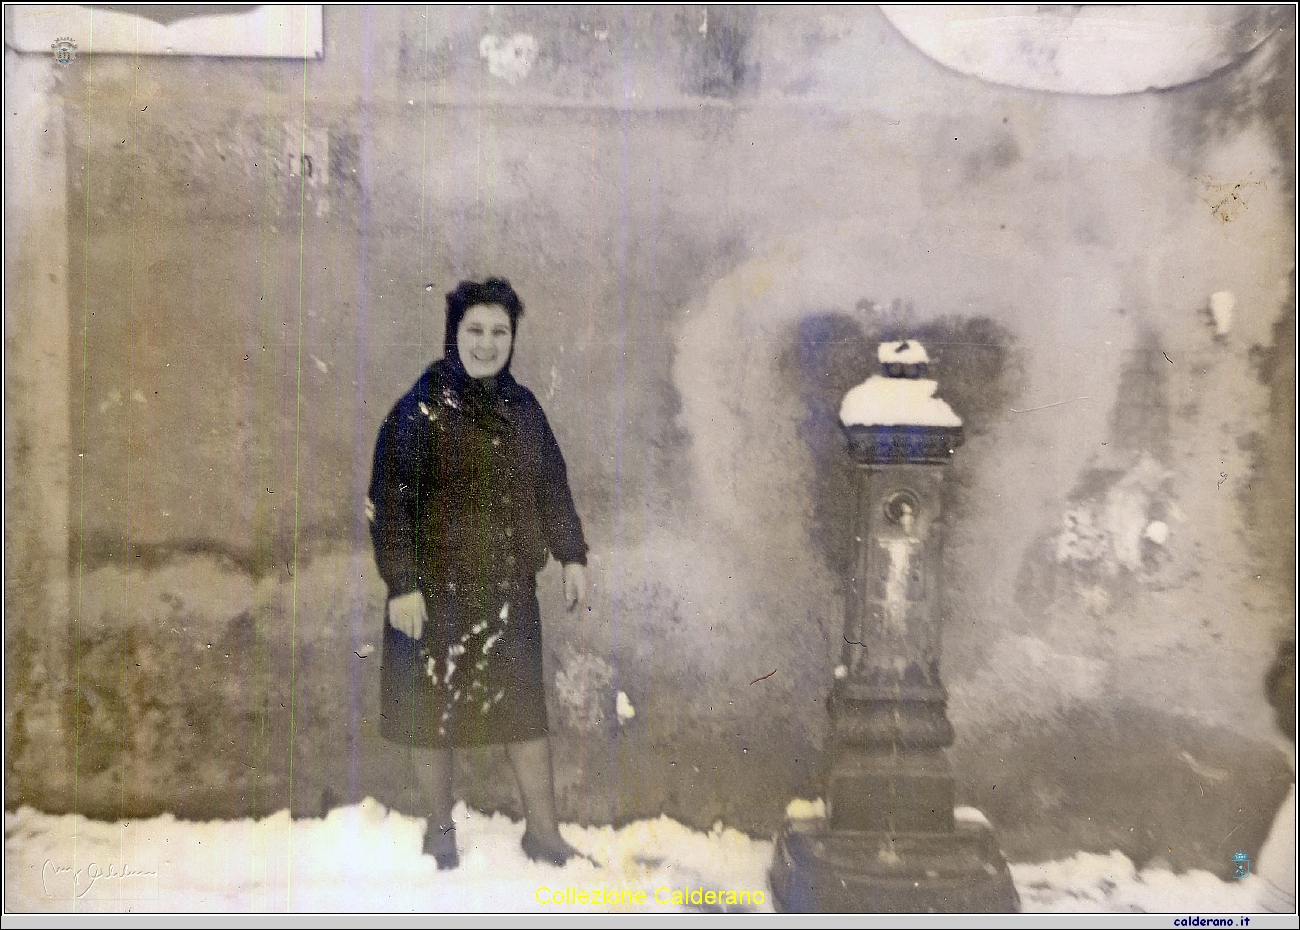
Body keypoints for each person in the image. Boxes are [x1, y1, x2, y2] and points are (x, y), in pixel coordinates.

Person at [368, 277, 589, 869]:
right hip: (432, 593)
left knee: (523, 711)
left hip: (506, 590)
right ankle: (439, 832)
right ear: (454, 334)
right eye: (475, 331)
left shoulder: (524, 409)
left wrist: (571, 554)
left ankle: (544, 834)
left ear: (512, 339)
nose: (487, 344)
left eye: (500, 332)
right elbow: (389, 501)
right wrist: (402, 584)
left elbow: (552, 485)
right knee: (430, 712)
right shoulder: (420, 408)